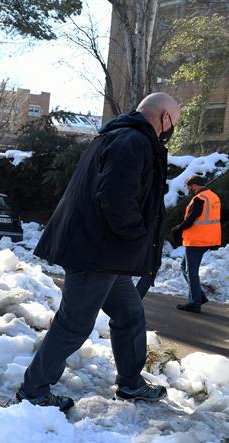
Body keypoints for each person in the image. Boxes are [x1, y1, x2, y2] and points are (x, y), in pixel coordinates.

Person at [15, 92, 180, 412]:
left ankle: (131, 382)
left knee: (130, 314)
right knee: (74, 323)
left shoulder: (122, 137)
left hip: (105, 252)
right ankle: (33, 390)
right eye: (173, 121)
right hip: (96, 252)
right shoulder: (131, 141)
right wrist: (137, 236)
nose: (171, 129)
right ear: (163, 117)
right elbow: (116, 198)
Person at [172, 175, 221, 313]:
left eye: (189, 188)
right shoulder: (213, 197)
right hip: (207, 239)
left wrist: (177, 228)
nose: (189, 191)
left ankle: (194, 303)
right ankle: (198, 296)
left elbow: (191, 219)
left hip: (197, 240)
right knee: (184, 267)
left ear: (194, 186)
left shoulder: (200, 199)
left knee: (191, 272)